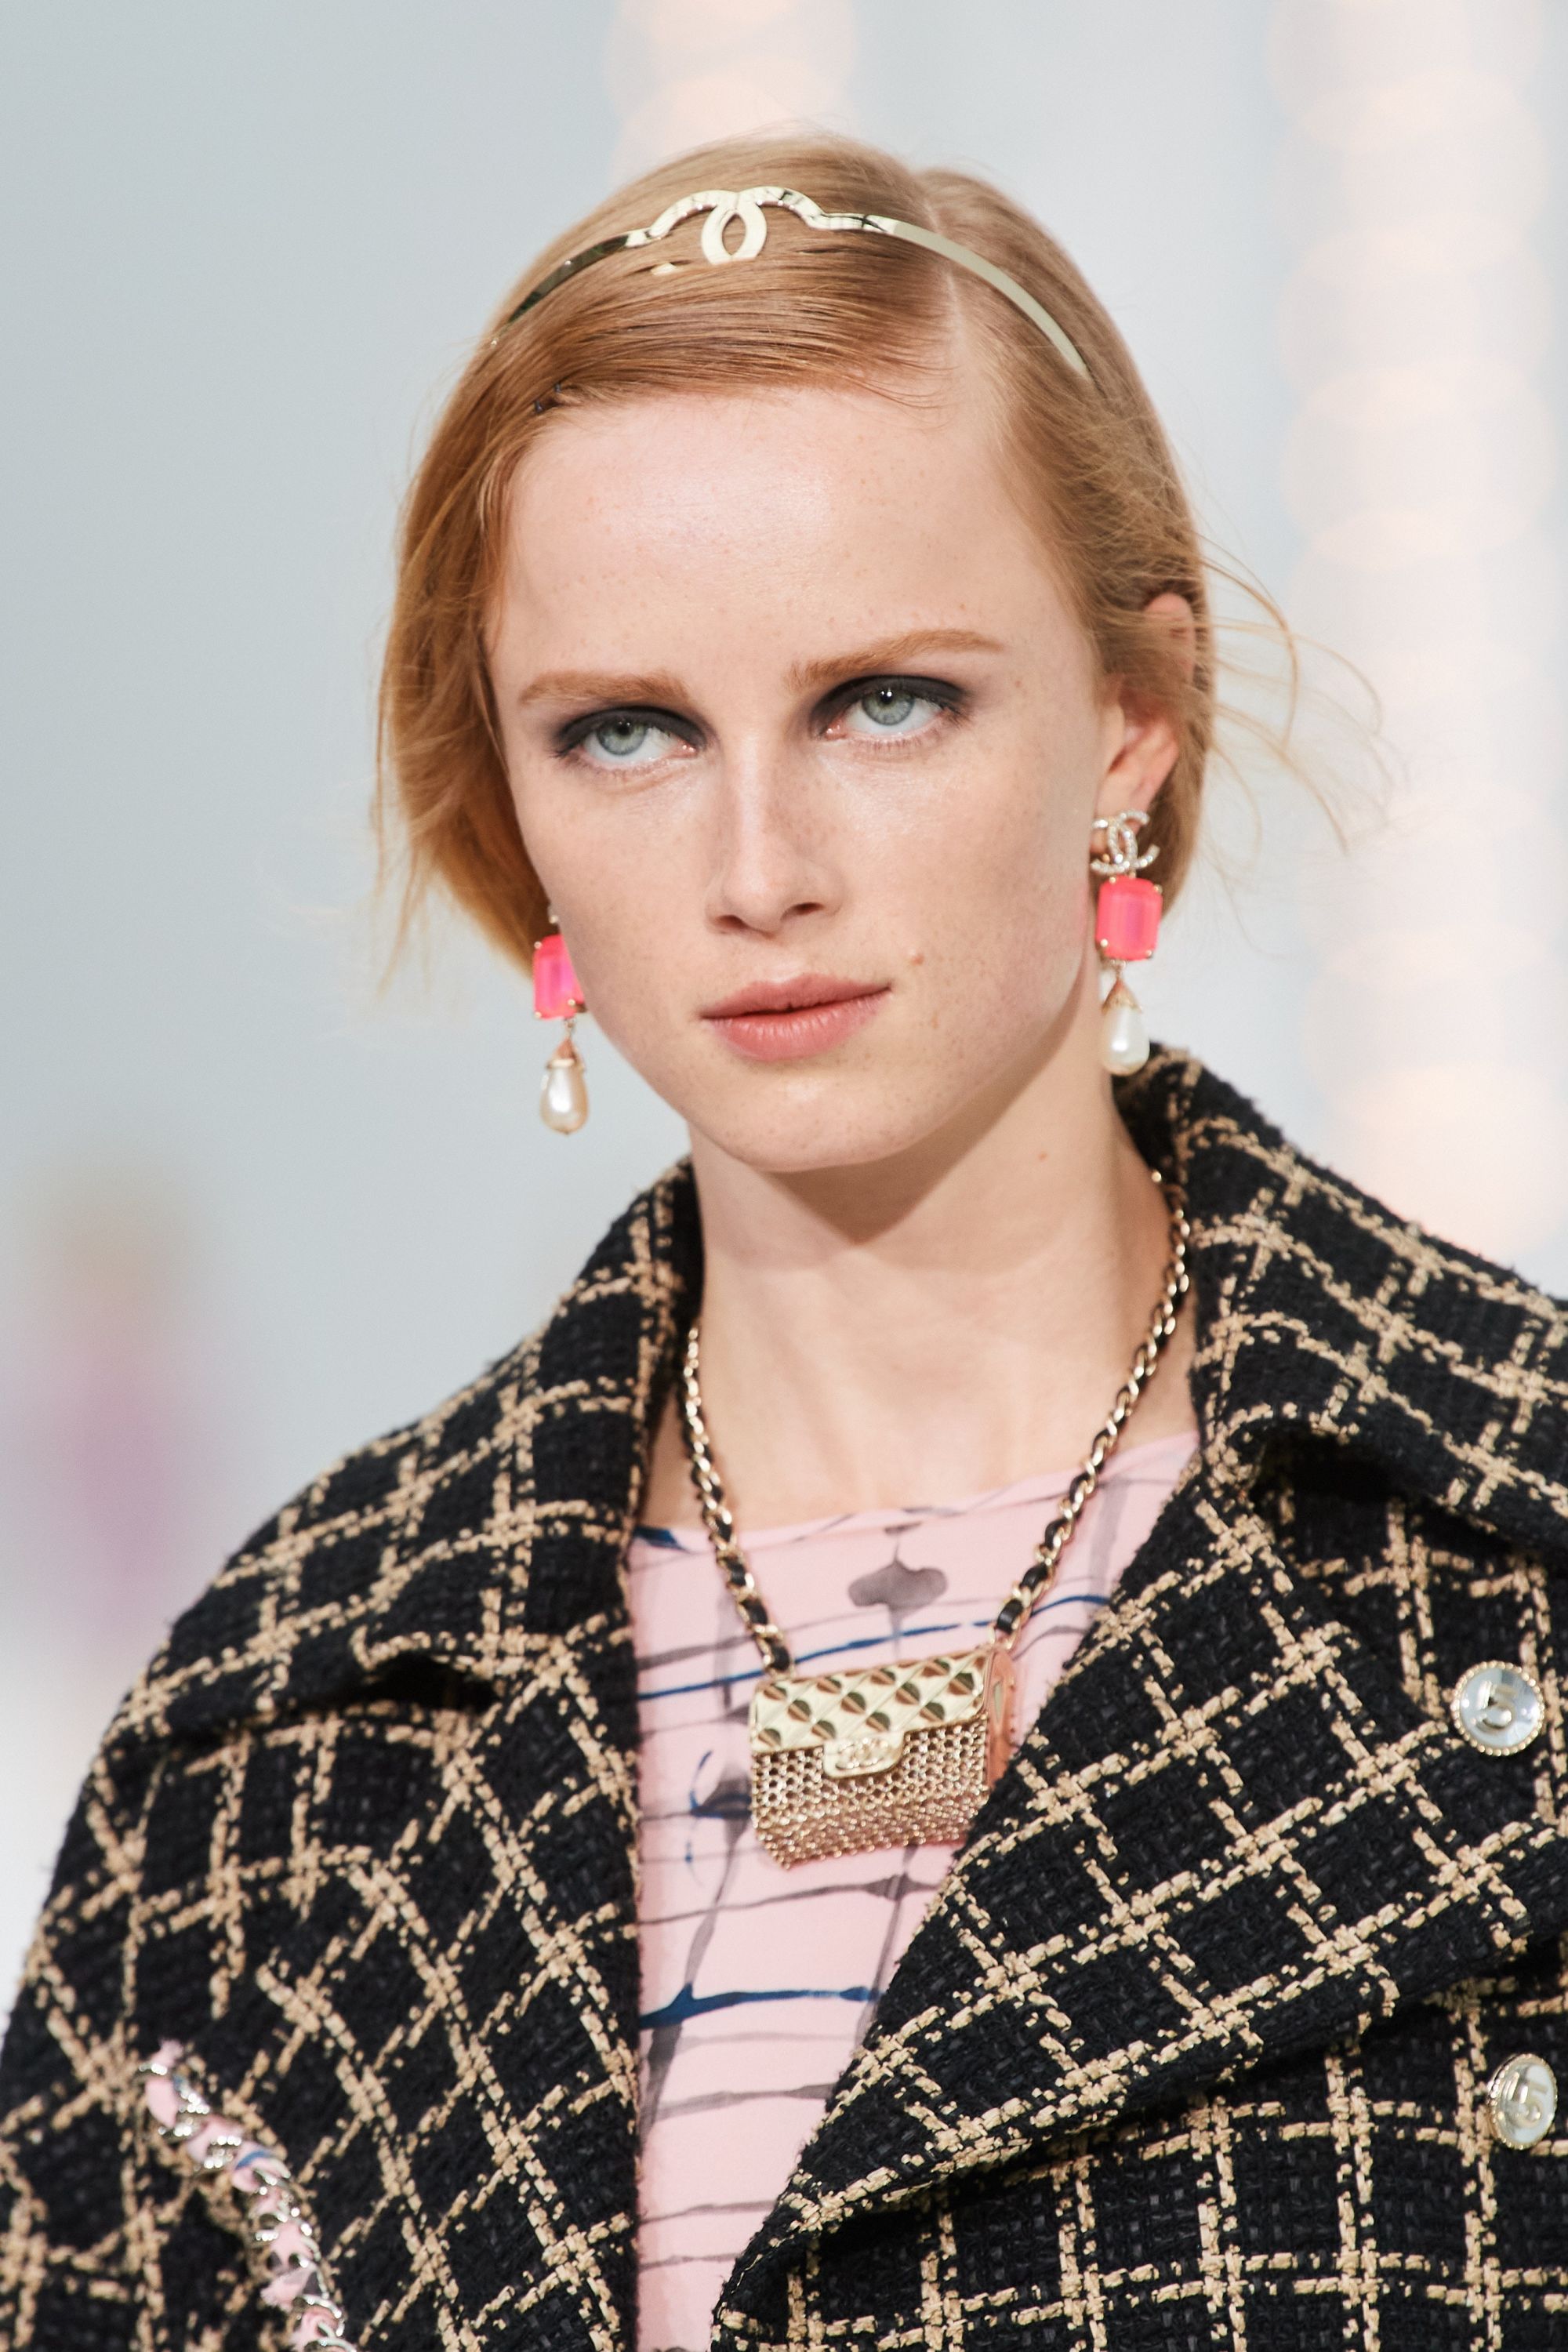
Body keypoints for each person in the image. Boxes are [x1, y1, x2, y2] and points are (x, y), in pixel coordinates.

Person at [3, 129, 1566, 2352]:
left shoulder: (1511, 1551)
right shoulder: (270, 1744)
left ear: (1132, 721)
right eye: (627, 731)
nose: (759, 869)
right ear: (513, 804)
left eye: (884, 701)